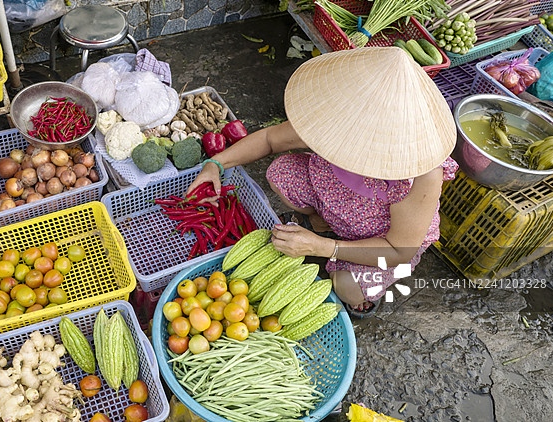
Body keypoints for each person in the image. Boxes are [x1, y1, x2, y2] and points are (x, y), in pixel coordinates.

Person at [187, 47, 459, 316]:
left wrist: (322, 247)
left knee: (347, 286)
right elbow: (270, 140)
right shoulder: (334, 124)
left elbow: (398, 249)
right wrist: (216, 163)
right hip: (332, 198)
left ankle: (362, 285)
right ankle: (324, 224)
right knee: (281, 173)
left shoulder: (422, 172)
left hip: (382, 238)